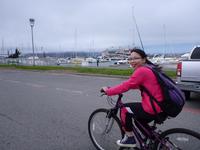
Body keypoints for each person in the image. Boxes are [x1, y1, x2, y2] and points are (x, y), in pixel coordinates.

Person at [101, 48, 165, 148]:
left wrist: (108, 91)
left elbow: (127, 85)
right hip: (161, 106)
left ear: (144, 59)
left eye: (135, 58)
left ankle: (130, 138)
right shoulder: (149, 68)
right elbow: (136, 84)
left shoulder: (142, 71)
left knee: (124, 109)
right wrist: (114, 89)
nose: (132, 61)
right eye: (130, 58)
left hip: (152, 107)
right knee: (137, 119)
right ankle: (153, 137)